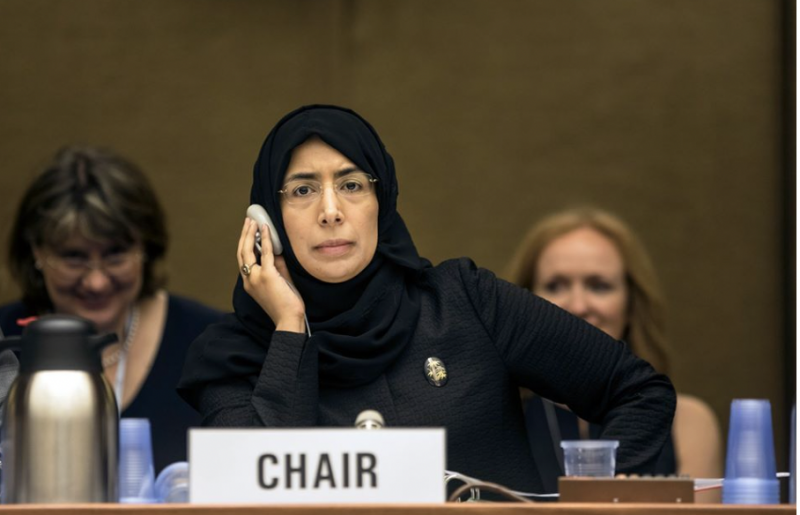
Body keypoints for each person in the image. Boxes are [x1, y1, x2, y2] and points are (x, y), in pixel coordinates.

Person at [177, 105, 676, 495]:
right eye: (302, 190)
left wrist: (594, 506)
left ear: (382, 200)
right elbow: (252, 497)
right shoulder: (232, 357)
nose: (330, 211)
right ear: (268, 220)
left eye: (351, 185)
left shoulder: (464, 302)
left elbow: (637, 390)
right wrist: (289, 325)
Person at [1, 145, 223, 474]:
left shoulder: (213, 343)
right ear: (36, 251)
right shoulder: (4, 340)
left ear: (145, 249)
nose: (96, 282)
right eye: (73, 257)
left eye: (115, 255)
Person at [506, 208, 722, 494]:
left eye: (599, 286)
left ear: (631, 305)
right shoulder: (494, 417)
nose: (578, 305)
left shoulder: (688, 422)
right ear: (524, 302)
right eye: (555, 285)